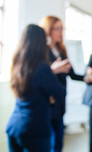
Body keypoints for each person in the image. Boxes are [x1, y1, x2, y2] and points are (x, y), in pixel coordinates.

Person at [6, 24, 66, 152]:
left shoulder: (17, 63)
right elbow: (60, 93)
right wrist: (47, 98)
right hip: (34, 129)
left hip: (13, 126)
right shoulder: (42, 67)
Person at [39, 15, 84, 152]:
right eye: (57, 29)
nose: (61, 32)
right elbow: (37, 77)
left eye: (62, 29)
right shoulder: (41, 51)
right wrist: (53, 69)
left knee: (58, 142)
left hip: (60, 103)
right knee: (47, 143)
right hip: (47, 103)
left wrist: (90, 78)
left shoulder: (61, 50)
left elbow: (72, 74)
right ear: (48, 30)